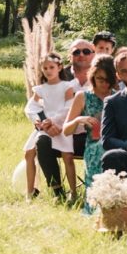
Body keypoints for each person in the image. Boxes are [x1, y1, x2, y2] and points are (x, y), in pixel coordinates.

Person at [35, 38, 93, 200]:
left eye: (86, 51)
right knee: (42, 141)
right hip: (61, 132)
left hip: (90, 134)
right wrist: (46, 123)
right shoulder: (56, 74)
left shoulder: (101, 75)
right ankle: (57, 192)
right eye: (76, 52)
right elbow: (39, 103)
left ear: (93, 54)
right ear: (69, 56)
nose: (81, 55)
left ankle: (97, 192)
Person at [62, 55, 116, 211]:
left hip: (115, 143)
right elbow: (66, 130)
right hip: (93, 145)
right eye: (100, 79)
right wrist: (79, 119)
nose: (104, 84)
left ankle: (116, 206)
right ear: (92, 75)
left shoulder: (117, 95)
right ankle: (96, 206)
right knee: (99, 149)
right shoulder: (83, 96)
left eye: (108, 80)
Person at [21, 54, 73, 200]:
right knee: (28, 153)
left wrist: (52, 120)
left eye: (52, 67)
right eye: (45, 68)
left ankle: (63, 191)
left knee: (45, 148)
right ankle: (30, 192)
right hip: (44, 126)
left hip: (60, 126)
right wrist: (37, 120)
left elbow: (68, 108)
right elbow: (30, 107)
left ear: (60, 67)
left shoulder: (66, 87)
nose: (48, 71)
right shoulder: (41, 89)